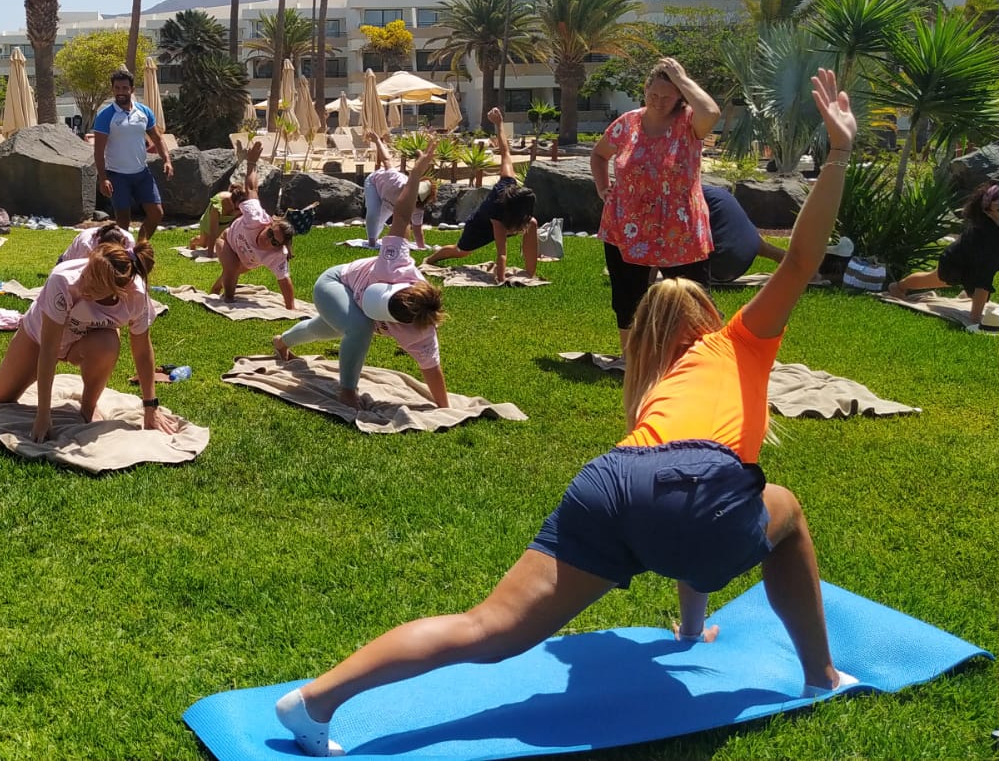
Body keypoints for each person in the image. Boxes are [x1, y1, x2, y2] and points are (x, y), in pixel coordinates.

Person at [272, 70, 861, 757]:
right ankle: (820, 673)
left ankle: (314, 700)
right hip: (697, 488)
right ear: (705, 317)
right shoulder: (735, 342)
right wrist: (839, 154)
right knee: (782, 514)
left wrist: (686, 626)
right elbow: (798, 260)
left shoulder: (651, 390)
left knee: (486, 627)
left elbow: (670, 509)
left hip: (609, 482)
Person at [0, 241, 181, 443]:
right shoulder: (63, 280)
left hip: (85, 341)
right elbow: (49, 349)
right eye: (86, 274)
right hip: (39, 337)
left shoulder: (135, 297)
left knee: (108, 344)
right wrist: (43, 414)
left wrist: (150, 406)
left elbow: (142, 351)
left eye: (94, 286)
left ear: (117, 291)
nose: (83, 285)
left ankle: (87, 407)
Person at [272, 140, 448, 409]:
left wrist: (444, 408)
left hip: (355, 299)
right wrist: (414, 175)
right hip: (335, 282)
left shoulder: (419, 332)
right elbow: (400, 217)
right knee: (360, 328)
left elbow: (431, 369)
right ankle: (347, 391)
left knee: (322, 329)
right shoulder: (394, 265)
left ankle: (281, 342)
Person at [591, 58, 718, 354]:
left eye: (668, 96)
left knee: (695, 298)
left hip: (680, 228)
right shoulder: (627, 124)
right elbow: (599, 155)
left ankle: (704, 359)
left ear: (680, 96)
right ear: (645, 91)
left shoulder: (689, 122)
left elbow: (711, 111)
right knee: (627, 296)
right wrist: (601, 188)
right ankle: (632, 358)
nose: (659, 102)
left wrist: (681, 77)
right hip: (628, 225)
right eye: (654, 95)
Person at [423, 107, 541, 282]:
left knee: (532, 223)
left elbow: (505, 152)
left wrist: (499, 124)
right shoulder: (497, 212)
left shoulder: (508, 181)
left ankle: (530, 272)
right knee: (462, 251)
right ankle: (430, 259)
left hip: (509, 218)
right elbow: (502, 253)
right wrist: (500, 280)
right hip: (480, 226)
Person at [888, 181, 999, 328]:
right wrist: (975, 320)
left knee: (978, 289)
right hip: (955, 263)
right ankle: (899, 287)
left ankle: (969, 297)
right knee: (933, 279)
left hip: (975, 263)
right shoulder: (985, 233)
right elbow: (983, 276)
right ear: (988, 211)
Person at [210, 141, 297, 309]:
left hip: (248, 259)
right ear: (268, 225)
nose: (268, 239)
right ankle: (228, 299)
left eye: (274, 242)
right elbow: (251, 188)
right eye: (270, 233)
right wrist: (251, 162)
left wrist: (290, 308)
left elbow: (284, 281)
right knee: (232, 267)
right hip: (227, 241)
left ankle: (217, 286)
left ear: (278, 246)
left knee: (233, 270)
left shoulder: (277, 256)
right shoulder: (255, 216)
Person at [94, 67, 173, 242]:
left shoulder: (144, 112)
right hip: (117, 175)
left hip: (141, 173)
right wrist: (103, 178)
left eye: (124, 88)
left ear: (132, 89)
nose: (120, 92)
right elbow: (98, 151)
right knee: (123, 221)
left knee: (156, 213)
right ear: (112, 89)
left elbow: (157, 138)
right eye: (117, 88)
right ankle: (121, 254)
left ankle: (139, 246)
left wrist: (167, 160)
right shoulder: (105, 116)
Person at [703, 184, 788, 284]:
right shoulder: (715, 192)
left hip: (720, 267)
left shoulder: (688, 199)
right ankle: (788, 259)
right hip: (746, 253)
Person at [362, 131, 434, 249]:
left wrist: (422, 248)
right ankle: (371, 244)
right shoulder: (395, 180)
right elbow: (386, 160)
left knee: (379, 222)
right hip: (374, 183)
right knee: (373, 213)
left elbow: (417, 230)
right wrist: (377, 140)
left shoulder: (418, 209)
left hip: (389, 198)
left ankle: (374, 238)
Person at [187, 185, 245, 256]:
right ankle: (193, 241)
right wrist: (210, 254)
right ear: (231, 201)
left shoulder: (243, 205)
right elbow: (213, 230)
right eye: (237, 209)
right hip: (209, 221)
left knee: (217, 240)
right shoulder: (218, 203)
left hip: (225, 222)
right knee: (204, 244)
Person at [60, 222, 135, 263]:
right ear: (99, 243)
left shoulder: (129, 241)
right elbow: (80, 274)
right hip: (69, 266)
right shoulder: (87, 245)